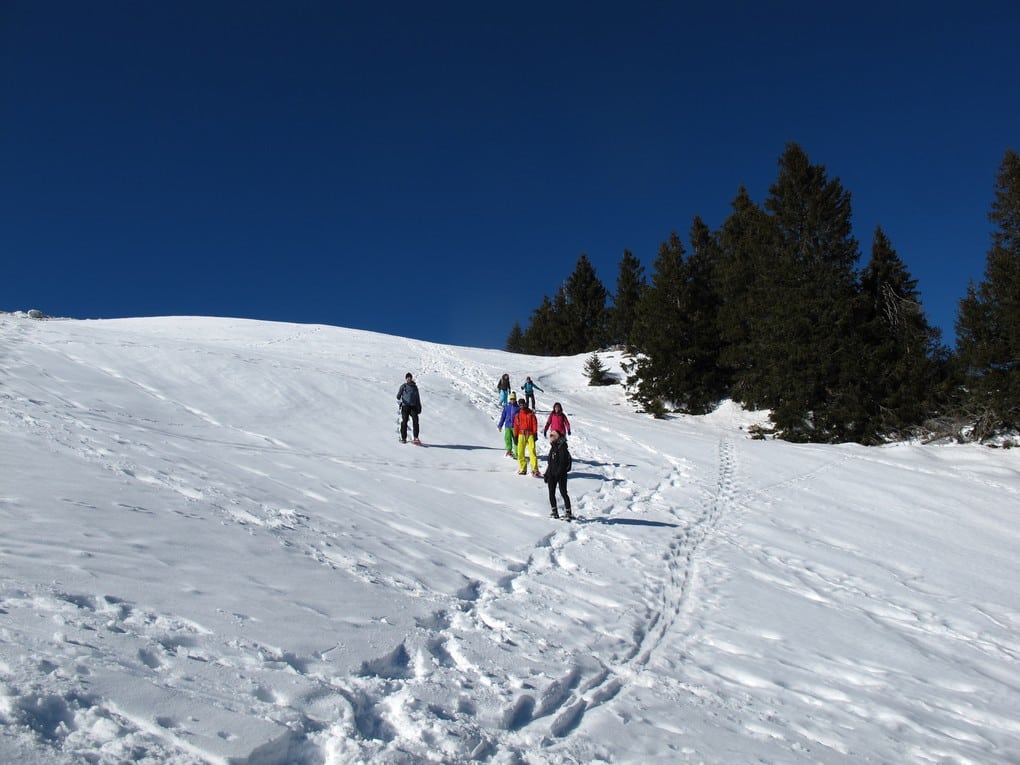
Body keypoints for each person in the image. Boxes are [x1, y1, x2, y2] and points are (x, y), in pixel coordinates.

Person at [544, 429, 573, 520]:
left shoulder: (562, 447)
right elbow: (550, 463)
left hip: (561, 474)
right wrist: (547, 474)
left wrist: (558, 473)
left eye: (552, 435)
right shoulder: (553, 447)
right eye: (550, 435)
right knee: (551, 492)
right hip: (552, 474)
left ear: (557, 437)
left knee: (563, 492)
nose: (551, 437)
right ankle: (554, 511)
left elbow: (562, 463)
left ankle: (568, 512)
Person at [513, 398, 540, 476]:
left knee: (532, 451)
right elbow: (516, 426)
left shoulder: (530, 413)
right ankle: (523, 469)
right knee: (520, 452)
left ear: (525, 404)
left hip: (530, 434)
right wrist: (515, 436)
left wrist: (535, 434)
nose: (522, 406)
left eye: (523, 404)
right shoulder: (517, 415)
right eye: (520, 405)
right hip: (521, 434)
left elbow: (534, 423)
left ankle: (535, 469)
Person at [396, 372, 422, 444]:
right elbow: (398, 396)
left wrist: (419, 406)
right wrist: (399, 395)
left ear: (411, 378)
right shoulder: (403, 386)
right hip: (405, 406)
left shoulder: (415, 387)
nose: (409, 379)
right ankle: (403, 438)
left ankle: (416, 437)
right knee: (404, 421)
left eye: (410, 377)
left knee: (416, 421)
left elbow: (417, 398)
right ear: (406, 379)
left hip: (413, 406)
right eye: (407, 378)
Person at [497, 391, 520, 458]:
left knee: (516, 440)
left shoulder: (518, 408)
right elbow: (503, 416)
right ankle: (509, 451)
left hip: (515, 427)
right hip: (507, 426)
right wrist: (500, 425)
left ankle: (517, 453)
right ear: (509, 399)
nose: (512, 400)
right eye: (511, 399)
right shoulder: (507, 407)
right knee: (507, 439)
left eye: (514, 399)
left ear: (515, 399)